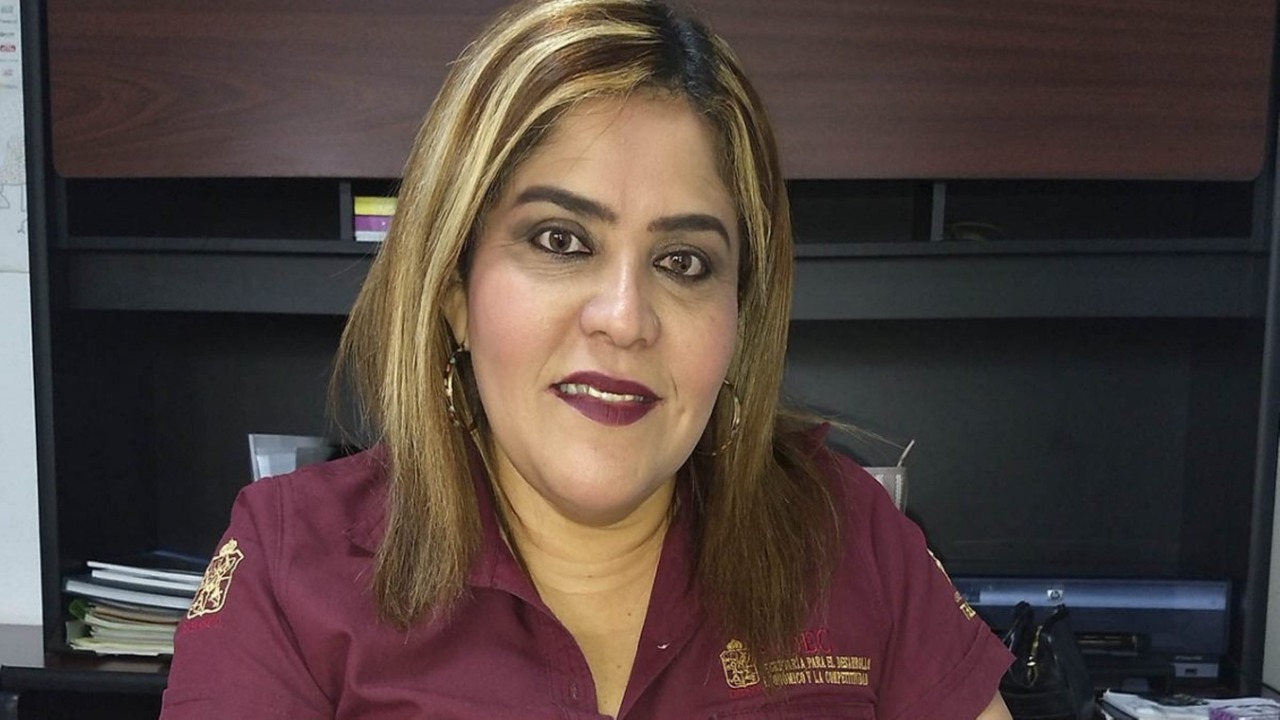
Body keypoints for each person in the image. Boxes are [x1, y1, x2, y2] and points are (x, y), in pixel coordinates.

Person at [160, 0, 1013, 717]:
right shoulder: (290, 563)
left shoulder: (846, 532)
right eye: (560, 240)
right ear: (454, 287)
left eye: (684, 261)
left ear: (738, 316)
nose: (624, 318)